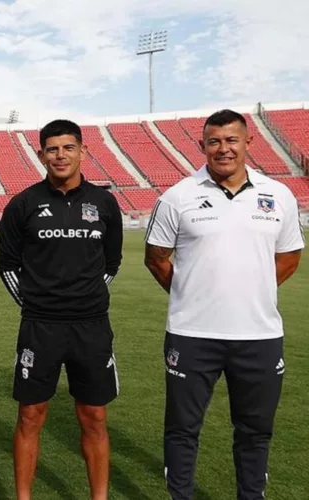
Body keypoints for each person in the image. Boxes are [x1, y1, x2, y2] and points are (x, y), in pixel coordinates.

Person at [144, 109, 304, 500]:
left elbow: (289, 257)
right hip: (192, 335)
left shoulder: (278, 195)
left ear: (249, 142)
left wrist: (253, 289)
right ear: (202, 146)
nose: (223, 148)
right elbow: (156, 257)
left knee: (254, 430)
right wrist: (192, 294)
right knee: (182, 429)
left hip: (259, 335)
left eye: (232, 140)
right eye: (214, 141)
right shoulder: (177, 197)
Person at [0, 119, 124, 500]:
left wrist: (84, 299)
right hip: (41, 327)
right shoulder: (22, 205)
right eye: (52, 149)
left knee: (95, 417)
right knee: (30, 416)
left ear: (83, 151)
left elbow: (111, 263)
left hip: (91, 328)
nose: (60, 155)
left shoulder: (104, 203)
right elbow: (7, 265)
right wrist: (40, 305)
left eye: (69, 147)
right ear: (41, 155)